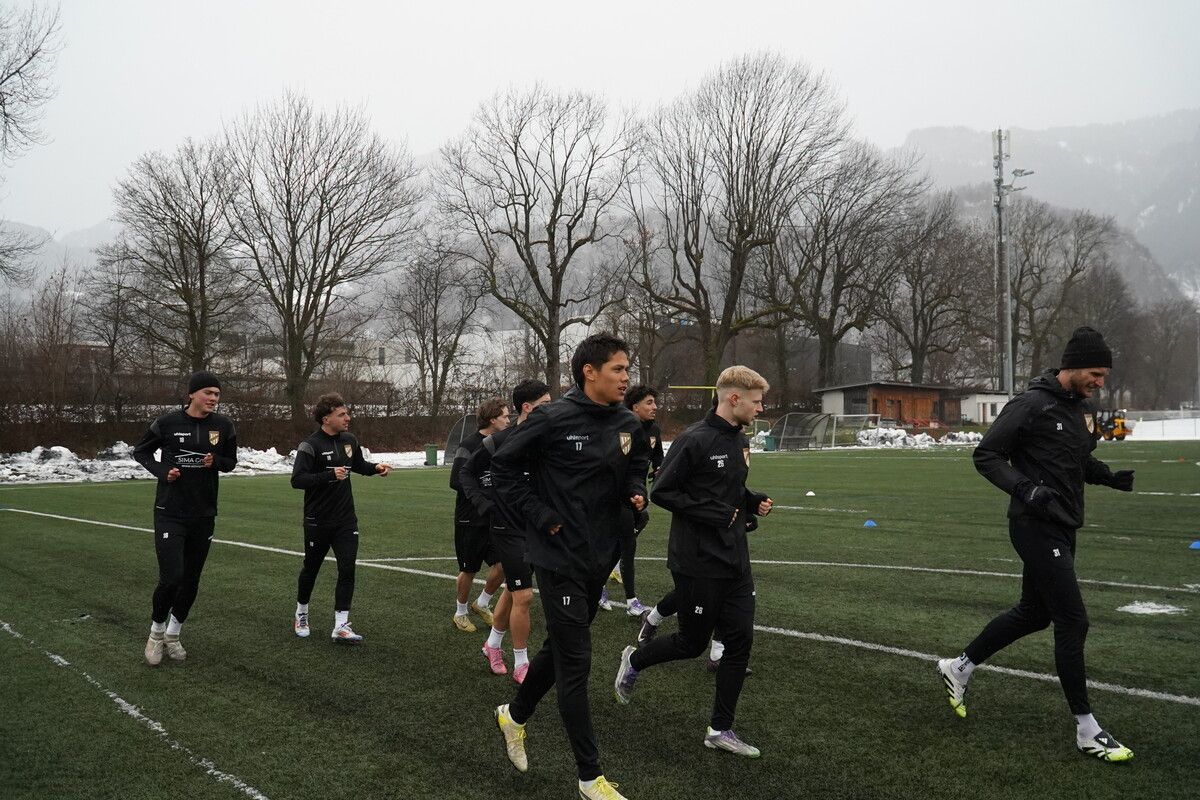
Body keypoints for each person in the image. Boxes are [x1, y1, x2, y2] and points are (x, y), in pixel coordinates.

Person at [937, 327, 1136, 763]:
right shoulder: (1031, 404)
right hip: (1033, 526)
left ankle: (960, 667)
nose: (1100, 382)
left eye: (1103, 376)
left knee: (1034, 613)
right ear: (1073, 366)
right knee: (1073, 620)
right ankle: (1087, 729)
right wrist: (1026, 490)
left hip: (1063, 526)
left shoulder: (1076, 408)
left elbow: (1076, 459)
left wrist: (1108, 476)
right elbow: (986, 454)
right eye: (1096, 374)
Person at [492, 333, 650, 800]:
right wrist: (541, 516)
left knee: (560, 649)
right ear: (590, 371)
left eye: (627, 369)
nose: (627, 378)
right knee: (577, 662)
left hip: (600, 556)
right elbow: (503, 469)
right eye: (619, 369)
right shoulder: (551, 418)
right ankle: (589, 778)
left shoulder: (627, 423)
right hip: (557, 556)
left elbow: (635, 466)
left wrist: (635, 494)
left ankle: (514, 715)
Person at [613, 365, 773, 759]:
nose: (760, 408)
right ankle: (634, 659)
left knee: (740, 642)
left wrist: (750, 500)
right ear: (733, 398)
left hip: (735, 558)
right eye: (755, 401)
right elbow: (663, 490)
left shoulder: (738, 439)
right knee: (692, 643)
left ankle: (720, 729)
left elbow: (728, 487)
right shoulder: (695, 438)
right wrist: (715, 512)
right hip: (698, 561)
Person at [132, 371, 238, 666]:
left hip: (203, 513)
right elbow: (140, 453)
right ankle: (155, 634)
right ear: (191, 394)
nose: (214, 399)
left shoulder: (224, 426)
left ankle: (173, 635)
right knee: (172, 578)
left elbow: (231, 462)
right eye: (208, 393)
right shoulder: (166, 423)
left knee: (191, 580)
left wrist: (216, 461)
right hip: (170, 513)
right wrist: (163, 471)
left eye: (217, 395)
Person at [460, 379, 553, 683]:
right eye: (545, 404)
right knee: (524, 596)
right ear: (527, 407)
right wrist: (483, 504)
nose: (552, 409)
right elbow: (466, 473)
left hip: (537, 526)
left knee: (514, 592)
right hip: (506, 528)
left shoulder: (549, 440)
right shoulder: (498, 441)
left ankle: (492, 645)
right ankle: (522, 662)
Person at [290, 393, 392, 643]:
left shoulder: (349, 440)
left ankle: (341, 625)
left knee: (347, 568)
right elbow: (297, 480)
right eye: (342, 414)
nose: (348, 418)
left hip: (346, 520)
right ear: (326, 418)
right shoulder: (310, 445)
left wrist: (376, 468)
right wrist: (328, 475)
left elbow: (358, 465)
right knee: (311, 568)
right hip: (318, 520)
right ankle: (301, 613)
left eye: (347, 413)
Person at [600, 385, 664, 616]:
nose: (655, 407)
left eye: (654, 402)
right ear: (634, 406)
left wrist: (659, 471)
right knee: (626, 544)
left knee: (627, 538)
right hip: (616, 499)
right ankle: (631, 601)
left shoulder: (654, 431)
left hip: (637, 496)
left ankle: (604, 587)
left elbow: (658, 459)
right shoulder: (620, 428)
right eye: (649, 402)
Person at [449, 398, 510, 633]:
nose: (508, 419)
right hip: (470, 517)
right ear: (492, 419)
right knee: (469, 568)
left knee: (505, 564)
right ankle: (460, 613)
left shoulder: (502, 443)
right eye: (504, 416)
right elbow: (456, 480)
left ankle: (482, 603)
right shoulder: (469, 444)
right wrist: (484, 496)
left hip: (494, 517)